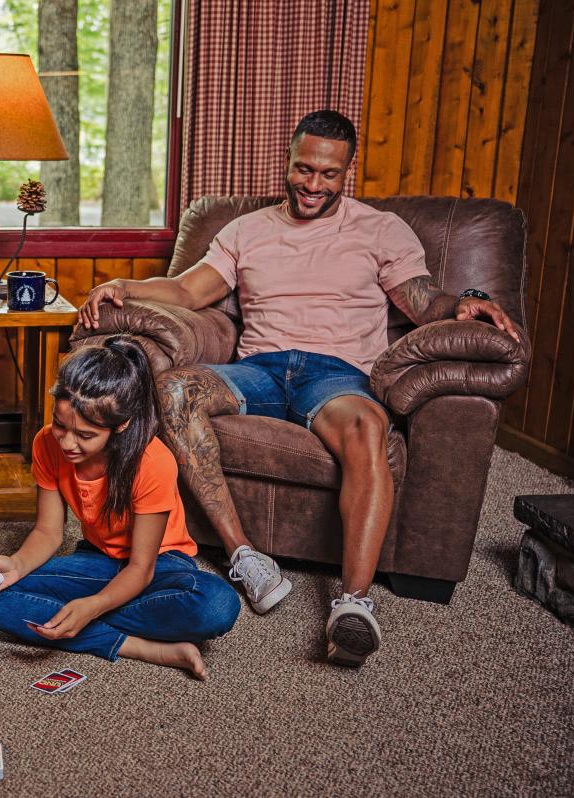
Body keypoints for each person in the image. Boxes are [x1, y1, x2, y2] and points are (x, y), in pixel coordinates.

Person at [79, 110, 520, 667]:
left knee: (366, 426)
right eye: (304, 169)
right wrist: (123, 285)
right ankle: (244, 555)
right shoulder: (245, 230)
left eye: (328, 174)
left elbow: (419, 300)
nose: (313, 184)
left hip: (334, 373)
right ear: (287, 161)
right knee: (172, 392)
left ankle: (353, 605)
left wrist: (461, 303)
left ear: (347, 172)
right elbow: (189, 291)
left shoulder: (380, 229)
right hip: (259, 368)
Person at [0, 336, 240, 681]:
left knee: (216, 605)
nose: (67, 442)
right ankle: (141, 646)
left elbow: (141, 568)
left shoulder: (153, 462)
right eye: (61, 425)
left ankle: (82, 621)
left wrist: (92, 606)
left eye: (85, 435)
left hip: (161, 566)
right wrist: (17, 565)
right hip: (96, 562)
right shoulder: (46, 443)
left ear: (121, 425)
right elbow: (48, 531)